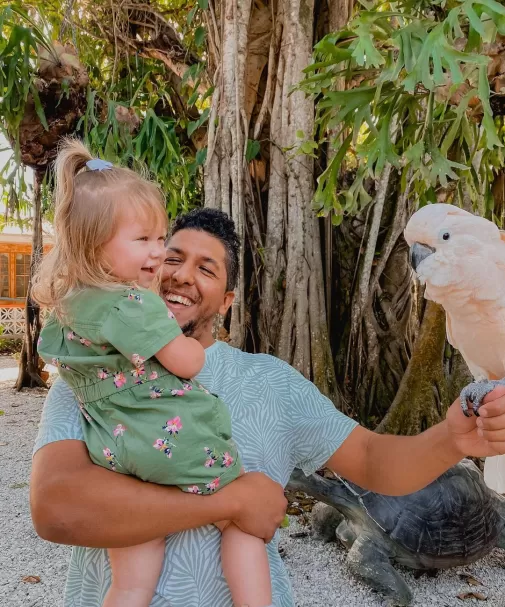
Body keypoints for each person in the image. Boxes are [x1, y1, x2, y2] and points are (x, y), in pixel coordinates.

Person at [31, 207, 505, 607]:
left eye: (206, 268)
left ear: (229, 301)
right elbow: (56, 506)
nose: (181, 275)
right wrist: (233, 501)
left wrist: (451, 439)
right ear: (146, 269)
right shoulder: (93, 367)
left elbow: (371, 461)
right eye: (172, 259)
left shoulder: (271, 382)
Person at [32, 140, 272, 607]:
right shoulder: (134, 304)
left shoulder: (68, 307)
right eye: (143, 239)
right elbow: (186, 361)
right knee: (241, 519)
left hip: (112, 447)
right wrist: (190, 350)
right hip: (166, 435)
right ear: (93, 245)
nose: (158, 253)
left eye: (160, 239)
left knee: (132, 578)